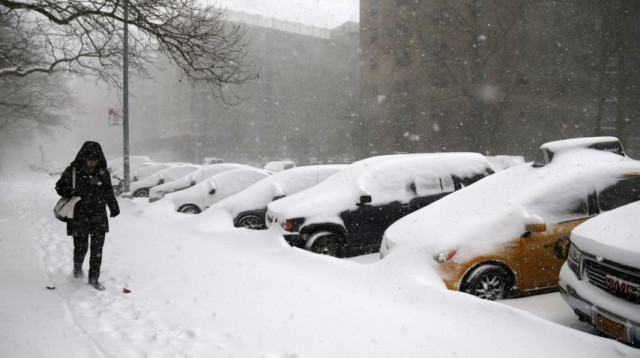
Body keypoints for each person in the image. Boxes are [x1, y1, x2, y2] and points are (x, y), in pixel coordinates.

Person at [55, 141, 120, 290]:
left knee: (97, 250)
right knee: (81, 247)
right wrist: (73, 191)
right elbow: (59, 187)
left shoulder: (103, 173)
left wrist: (113, 206)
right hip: (79, 215)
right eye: (89, 160)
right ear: (83, 158)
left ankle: (94, 278)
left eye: (95, 160)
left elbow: (108, 191)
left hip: (98, 214)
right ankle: (77, 269)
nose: (92, 163)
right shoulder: (72, 171)